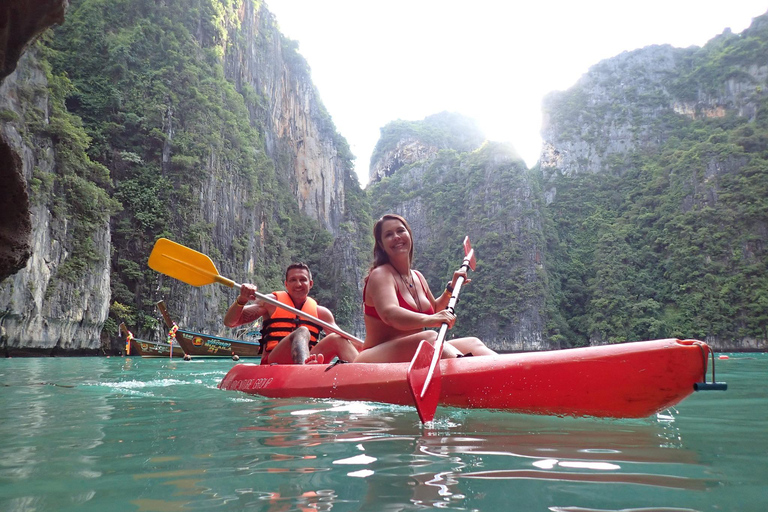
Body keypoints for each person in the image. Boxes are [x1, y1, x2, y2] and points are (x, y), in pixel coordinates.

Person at [354, 213, 497, 363]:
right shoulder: (380, 274)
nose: (396, 236)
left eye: (400, 231)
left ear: (409, 235)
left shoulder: (417, 277)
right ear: (382, 245)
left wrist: (451, 288)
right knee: (429, 339)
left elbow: (434, 308)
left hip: (413, 350)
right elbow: (389, 313)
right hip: (372, 359)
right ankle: (471, 374)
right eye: (389, 234)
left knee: (472, 343)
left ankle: (512, 372)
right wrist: (429, 319)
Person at [224, 263, 361, 365]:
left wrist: (374, 349)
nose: (298, 284)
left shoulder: (321, 312)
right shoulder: (271, 302)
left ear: (311, 283)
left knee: (338, 338)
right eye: (293, 280)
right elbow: (231, 322)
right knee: (302, 331)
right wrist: (242, 300)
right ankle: (304, 373)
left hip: (310, 360)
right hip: (275, 360)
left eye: (303, 280)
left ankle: (363, 373)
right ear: (286, 284)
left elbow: (346, 339)